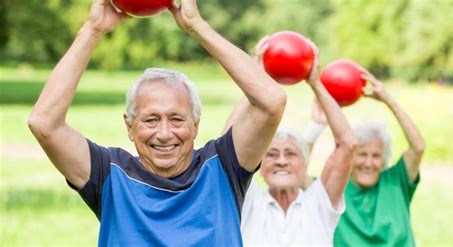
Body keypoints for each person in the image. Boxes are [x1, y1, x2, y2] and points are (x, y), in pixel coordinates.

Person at [27, 0, 287, 245]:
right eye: (151, 120)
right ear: (130, 126)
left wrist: (196, 26)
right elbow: (44, 123)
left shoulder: (223, 167)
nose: (164, 133)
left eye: (176, 119)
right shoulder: (109, 175)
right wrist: (92, 30)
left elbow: (271, 101)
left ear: (195, 125)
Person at [225, 37, 357, 246]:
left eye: (291, 153)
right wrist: (258, 77)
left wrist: (315, 83)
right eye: (271, 154)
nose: (281, 160)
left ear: (305, 164)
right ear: (260, 165)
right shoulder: (249, 201)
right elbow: (227, 147)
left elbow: (347, 144)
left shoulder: (319, 203)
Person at [333, 71, 425, 246]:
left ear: (384, 159)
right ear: (350, 157)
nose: (368, 163)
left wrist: (388, 101)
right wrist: (318, 123)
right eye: (362, 154)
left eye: (376, 156)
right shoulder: (335, 189)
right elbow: (299, 176)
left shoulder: (397, 181)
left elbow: (418, 147)